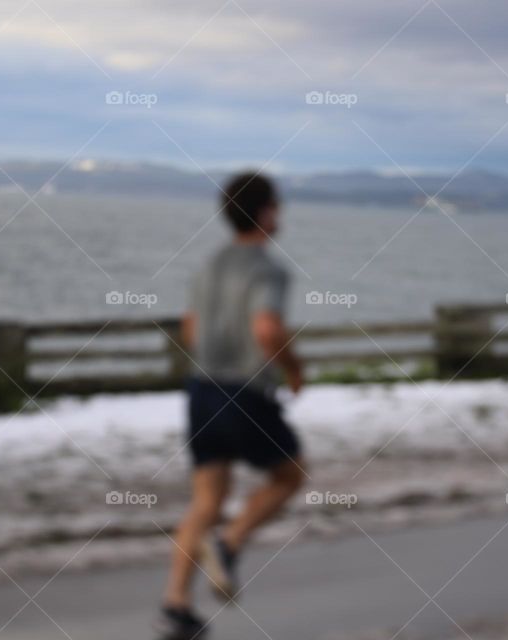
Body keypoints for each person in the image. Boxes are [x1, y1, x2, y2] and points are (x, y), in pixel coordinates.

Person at [157, 172, 306, 640]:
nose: (279, 214)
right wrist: (295, 369)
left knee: (205, 501)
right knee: (290, 475)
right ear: (264, 212)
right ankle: (231, 542)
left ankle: (177, 606)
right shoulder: (268, 269)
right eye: (276, 206)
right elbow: (266, 329)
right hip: (244, 393)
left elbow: (189, 329)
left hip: (201, 391)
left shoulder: (209, 264)